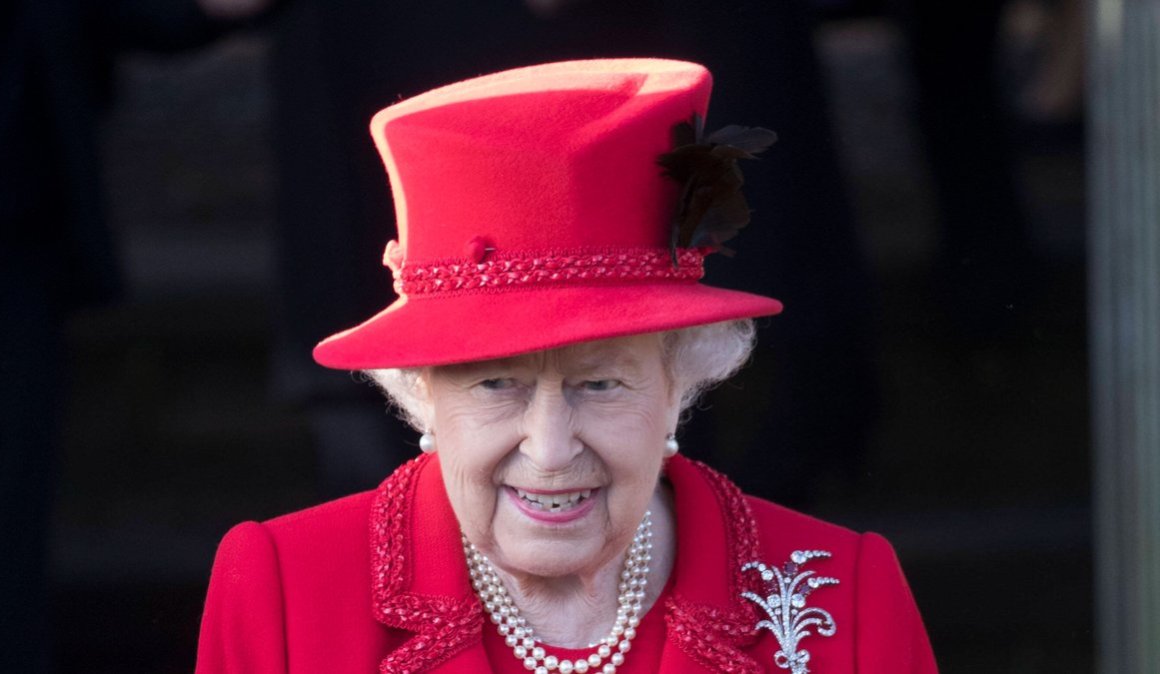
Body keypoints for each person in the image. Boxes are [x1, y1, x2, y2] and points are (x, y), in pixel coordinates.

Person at [195, 59, 936, 674]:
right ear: (423, 392)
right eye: (496, 382)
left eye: (600, 382)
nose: (550, 449)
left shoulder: (847, 599)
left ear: (680, 382)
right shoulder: (283, 591)